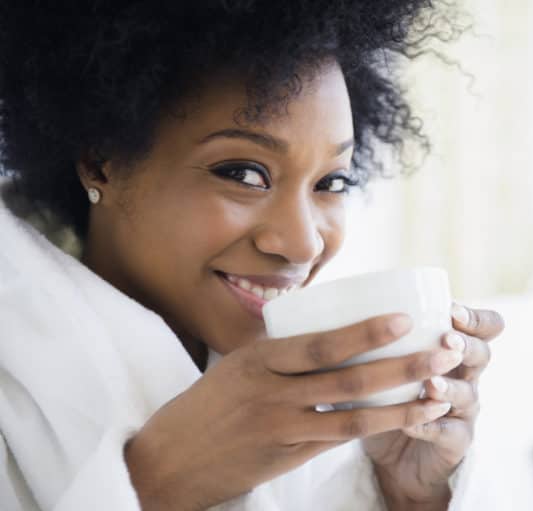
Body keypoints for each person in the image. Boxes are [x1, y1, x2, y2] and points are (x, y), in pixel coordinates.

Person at [0, 2, 504, 510]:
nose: (305, 243)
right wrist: (159, 483)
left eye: (332, 182)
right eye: (243, 173)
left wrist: (405, 492)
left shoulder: (320, 392)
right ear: (101, 162)